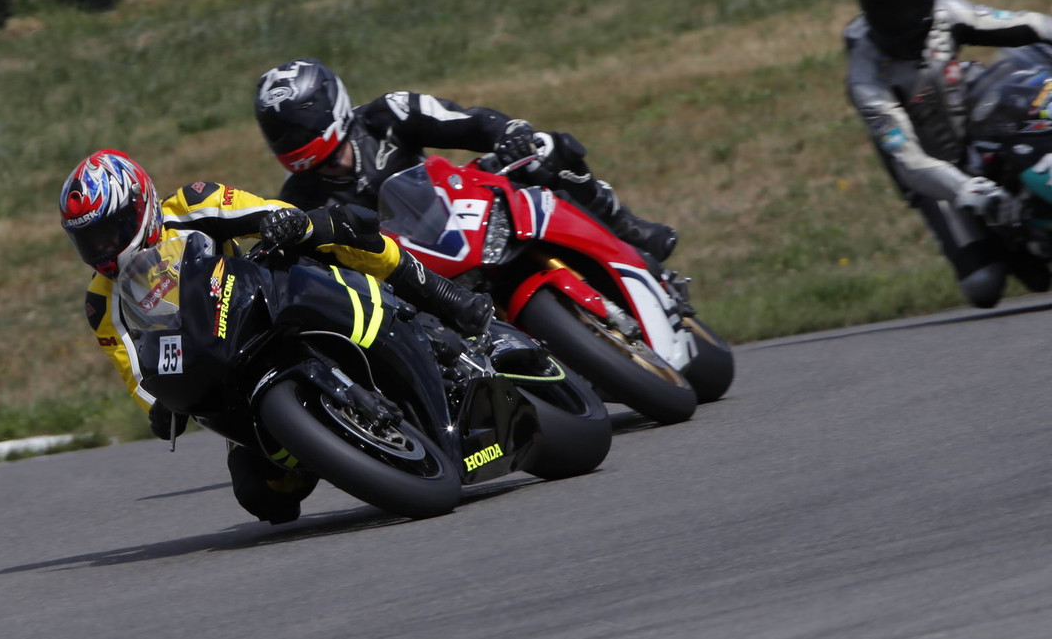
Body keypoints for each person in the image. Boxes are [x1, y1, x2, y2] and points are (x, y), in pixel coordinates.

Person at [59, 148, 508, 525]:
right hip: (224, 366)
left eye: (110, 231)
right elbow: (135, 370)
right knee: (261, 495)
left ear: (141, 205)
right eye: (90, 240)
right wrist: (159, 407)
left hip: (264, 301)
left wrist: (287, 223)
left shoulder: (194, 204)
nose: (103, 248)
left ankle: (446, 298)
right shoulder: (101, 301)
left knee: (337, 229)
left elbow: (267, 211)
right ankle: (328, 446)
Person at [252, 58, 678, 263]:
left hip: (464, 207)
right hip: (419, 276)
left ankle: (626, 228)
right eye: (281, 132)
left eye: (299, 124)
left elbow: (467, 123)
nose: (293, 138)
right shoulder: (298, 201)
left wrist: (509, 134)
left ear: (330, 104)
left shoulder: (388, 115)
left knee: (547, 148)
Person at [845, 0, 1052, 308]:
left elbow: (1029, 24)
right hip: (933, 170)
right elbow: (908, 161)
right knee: (983, 284)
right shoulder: (866, 77)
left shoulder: (948, 13)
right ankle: (1009, 243)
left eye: (907, 9)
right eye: (886, 13)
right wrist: (967, 190)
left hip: (972, 118)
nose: (899, 22)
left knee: (1030, 97)